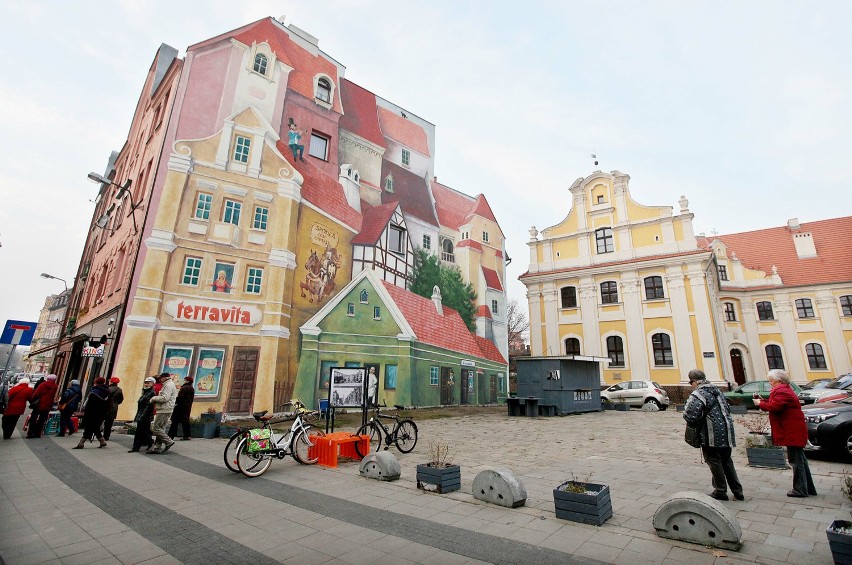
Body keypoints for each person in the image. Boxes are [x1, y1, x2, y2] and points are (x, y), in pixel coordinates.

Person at [754, 369, 817, 497]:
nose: (770, 383)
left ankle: (800, 489)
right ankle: (808, 488)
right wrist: (763, 401)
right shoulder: (784, 390)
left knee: (796, 460)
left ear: (780, 380)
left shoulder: (782, 391)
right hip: (792, 429)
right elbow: (775, 404)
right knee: (800, 459)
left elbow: (775, 407)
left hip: (791, 430)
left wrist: (760, 403)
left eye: (771, 380)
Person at [683, 369, 744, 501]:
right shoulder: (718, 391)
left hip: (711, 434)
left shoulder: (699, 393)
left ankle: (721, 491)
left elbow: (690, 415)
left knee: (714, 461)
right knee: (727, 461)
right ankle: (738, 491)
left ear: (694, 382)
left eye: (691, 383)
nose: (691, 385)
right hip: (727, 431)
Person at [74, 377, 112, 449]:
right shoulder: (107, 392)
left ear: (96, 383)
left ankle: (81, 443)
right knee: (95, 427)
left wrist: (85, 413)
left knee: (89, 427)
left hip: (92, 413)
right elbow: (109, 404)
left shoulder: (93, 393)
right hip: (102, 413)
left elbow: (89, 405)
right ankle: (102, 441)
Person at [149, 372, 177, 454]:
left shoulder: (168, 385)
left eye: (161, 378)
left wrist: (154, 398)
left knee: (155, 428)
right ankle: (157, 447)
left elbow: (165, 398)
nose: (160, 379)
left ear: (165, 377)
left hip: (164, 408)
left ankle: (168, 441)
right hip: (166, 408)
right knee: (160, 428)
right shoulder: (168, 384)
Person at [129, 377, 157, 453]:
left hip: (145, 415)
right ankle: (149, 443)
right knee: (144, 431)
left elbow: (148, 406)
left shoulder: (151, 393)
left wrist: (141, 416)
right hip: (142, 414)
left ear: (152, 384)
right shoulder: (146, 391)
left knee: (140, 431)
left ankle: (137, 447)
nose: (146, 384)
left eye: (148, 383)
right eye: (145, 382)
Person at [26, 374, 58, 438]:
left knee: (33, 418)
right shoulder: (55, 386)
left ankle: (31, 433)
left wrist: (33, 399)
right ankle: (37, 433)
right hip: (48, 405)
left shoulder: (42, 384)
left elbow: (36, 393)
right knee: (42, 420)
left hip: (39, 404)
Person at [168, 376, 195, 441]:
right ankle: (187, 435)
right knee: (185, 421)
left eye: (185, 380)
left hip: (180, 407)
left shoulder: (184, 388)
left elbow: (180, 397)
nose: (184, 381)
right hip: (187, 406)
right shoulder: (191, 388)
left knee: (175, 421)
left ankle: (170, 436)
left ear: (188, 381)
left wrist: (175, 402)